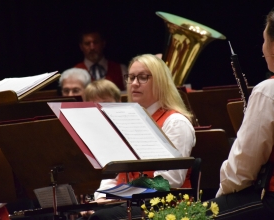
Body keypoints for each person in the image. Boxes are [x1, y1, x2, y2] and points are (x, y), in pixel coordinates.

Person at [87, 54, 196, 220]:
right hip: (131, 203)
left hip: (164, 208)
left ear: (160, 82)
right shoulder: (129, 122)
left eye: (143, 77)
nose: (134, 83)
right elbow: (117, 174)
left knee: (101, 218)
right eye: (131, 78)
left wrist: (121, 195)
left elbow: (170, 181)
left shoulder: (175, 122)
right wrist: (101, 197)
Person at [208, 8, 274, 219]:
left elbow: (240, 172)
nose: (262, 50)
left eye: (264, 41)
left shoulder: (267, 91)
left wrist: (218, 200)